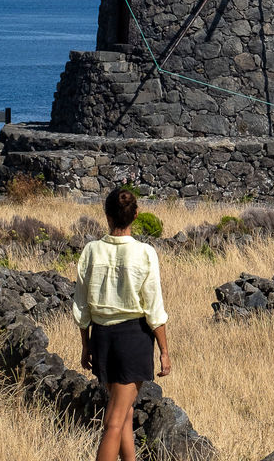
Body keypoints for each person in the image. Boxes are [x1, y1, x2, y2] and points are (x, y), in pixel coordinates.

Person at [73, 187, 172, 461]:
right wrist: (164, 351)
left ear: (107, 215)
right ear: (136, 215)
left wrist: (86, 345)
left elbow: (82, 308)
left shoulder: (91, 251)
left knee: (124, 413)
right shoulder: (145, 252)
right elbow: (154, 309)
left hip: (102, 338)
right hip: (133, 340)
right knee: (114, 422)